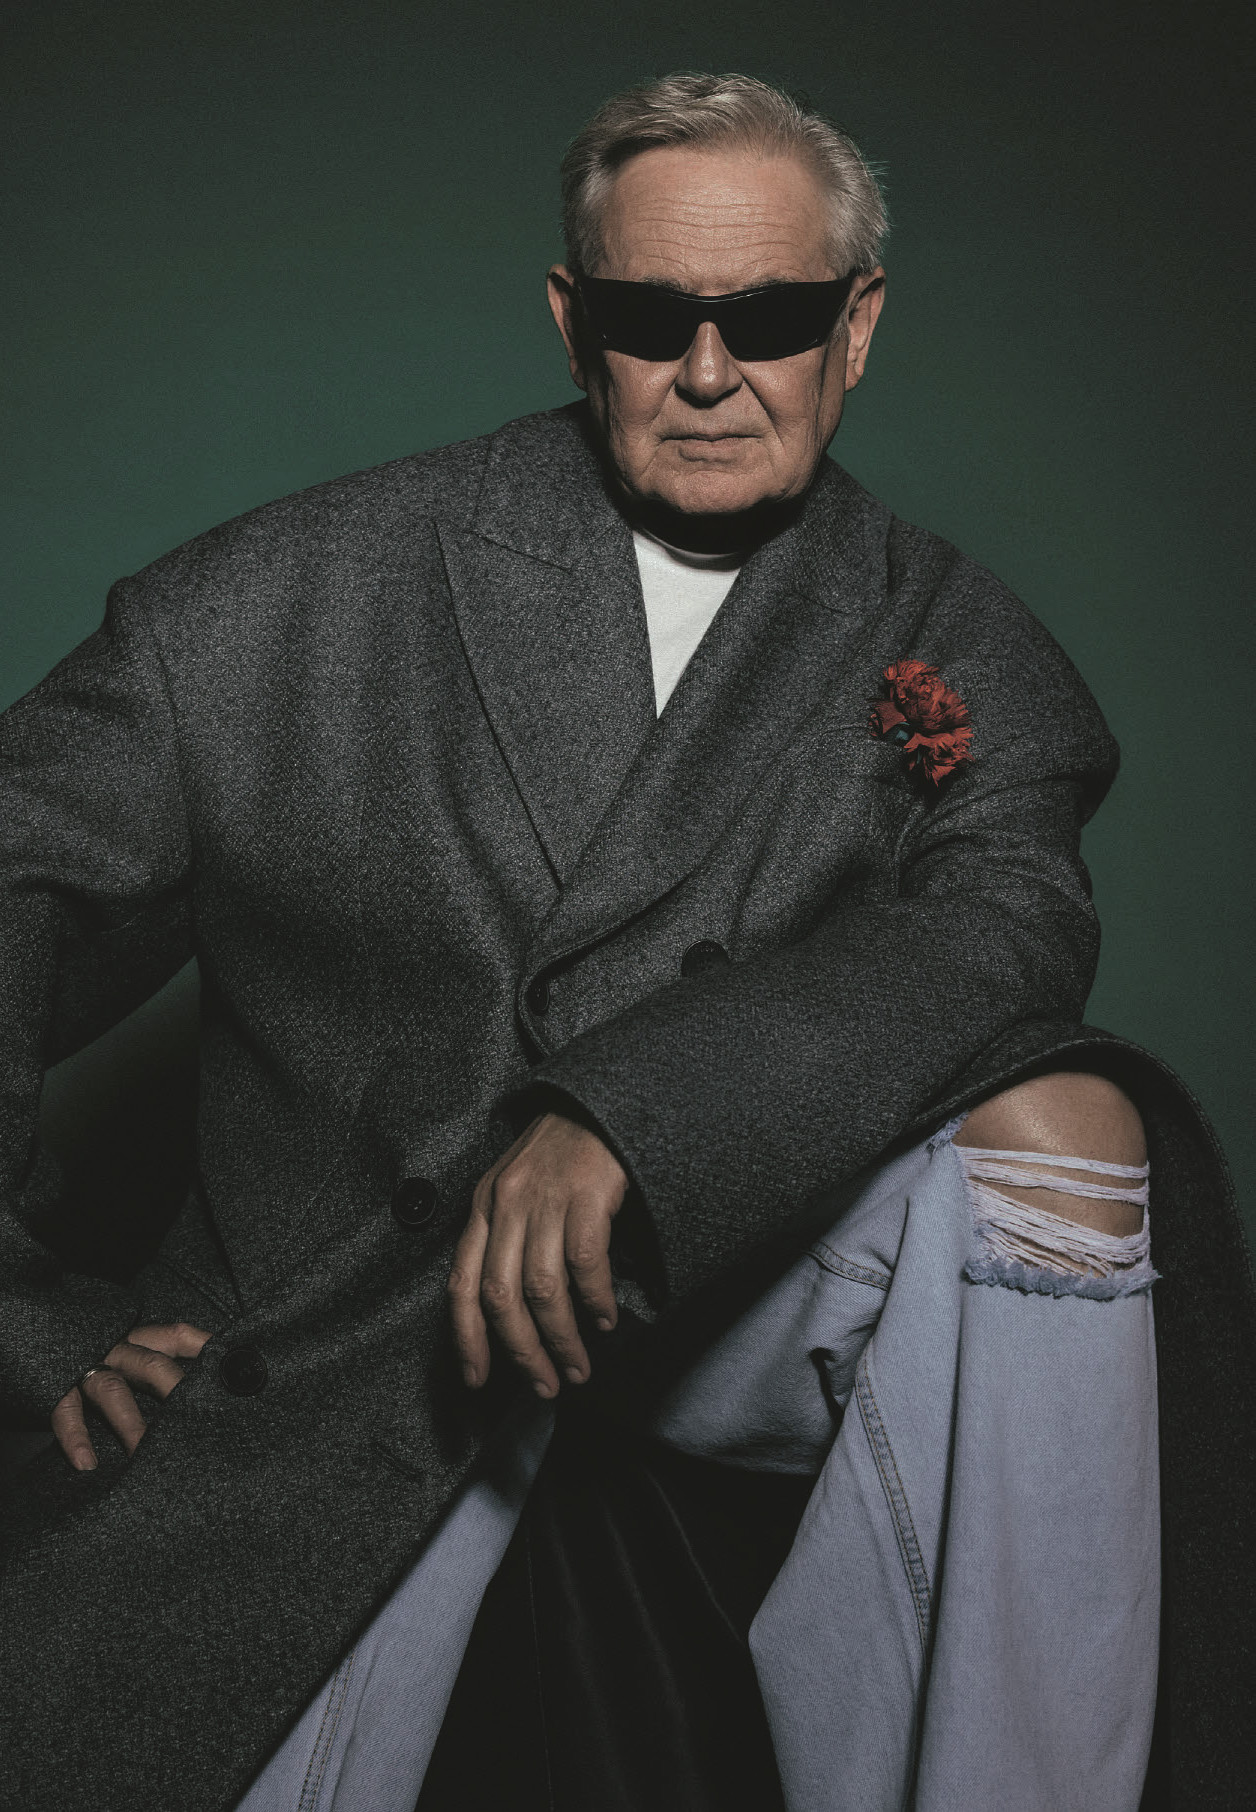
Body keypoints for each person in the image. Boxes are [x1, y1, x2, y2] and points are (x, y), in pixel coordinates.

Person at [0, 72, 1250, 1812]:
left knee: (1069, 1127)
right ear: (575, 321)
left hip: (727, 1304)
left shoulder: (960, 640)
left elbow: (1004, 929)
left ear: (857, 326)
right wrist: (25, 1315)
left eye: (774, 316)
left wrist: (628, 1120)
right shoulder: (286, 594)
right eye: (656, 317)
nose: (711, 370)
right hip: (360, 1332)